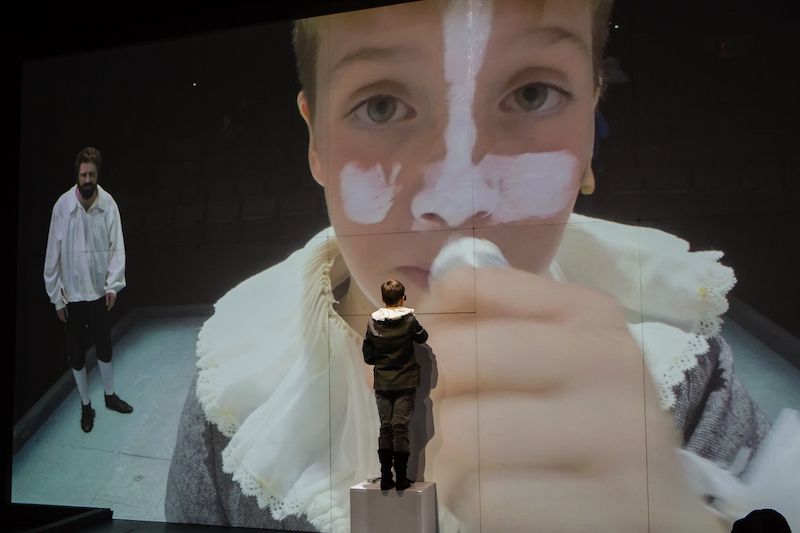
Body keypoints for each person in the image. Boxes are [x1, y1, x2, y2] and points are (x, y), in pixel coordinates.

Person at [165, 1, 799, 531]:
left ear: (589, 137)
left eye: (531, 94)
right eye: (381, 105)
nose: (458, 200)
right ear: (317, 145)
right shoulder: (236, 402)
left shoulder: (685, 374)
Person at [43, 146, 133, 433]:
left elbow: (116, 247)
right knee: (77, 354)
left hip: (97, 294)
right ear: (77, 175)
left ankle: (109, 396)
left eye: (92, 174)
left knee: (104, 346)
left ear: (97, 175)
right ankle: (85, 406)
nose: (87, 179)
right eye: (83, 174)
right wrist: (56, 297)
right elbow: (52, 254)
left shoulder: (109, 205)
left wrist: (113, 285)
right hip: (71, 296)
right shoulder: (62, 207)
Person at [362, 279, 429, 491]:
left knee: (386, 428)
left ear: (383, 298)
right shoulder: (409, 320)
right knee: (400, 428)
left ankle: (385, 477)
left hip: (383, 381)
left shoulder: (372, 323)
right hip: (406, 381)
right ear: (402, 298)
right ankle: (401, 478)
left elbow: (368, 357)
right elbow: (422, 338)